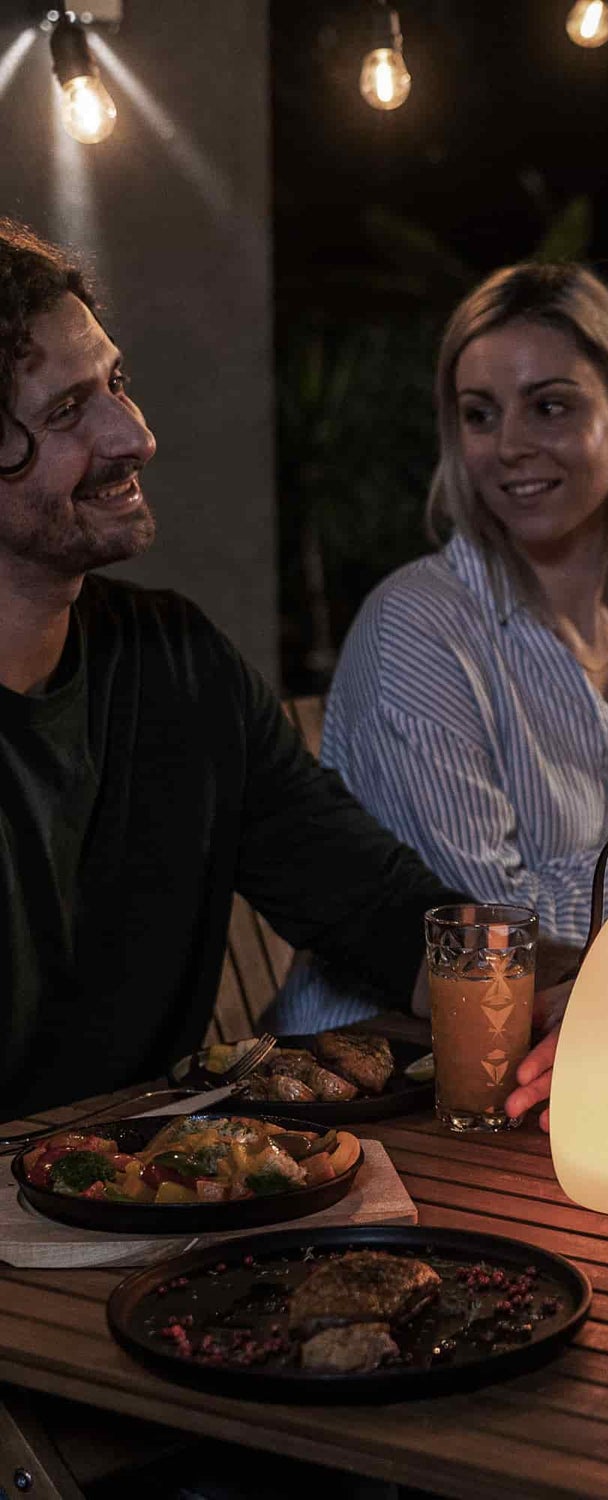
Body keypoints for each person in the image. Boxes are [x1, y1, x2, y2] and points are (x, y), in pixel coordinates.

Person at [0, 218, 465, 1117]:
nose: (135, 436)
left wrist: (552, 986)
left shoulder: (175, 662)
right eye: (65, 412)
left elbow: (374, 908)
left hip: (156, 1178)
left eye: (116, 384)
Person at [276, 262, 608, 1031]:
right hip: (391, 1064)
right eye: (480, 415)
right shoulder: (417, 628)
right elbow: (486, 937)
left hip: (606, 1033)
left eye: (549, 406)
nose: (509, 446)